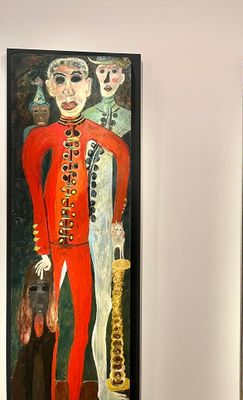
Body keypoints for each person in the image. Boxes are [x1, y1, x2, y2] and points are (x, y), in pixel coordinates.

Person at [22, 57, 130, 400]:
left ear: (88, 87)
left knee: (81, 325)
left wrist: (116, 217)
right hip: (53, 250)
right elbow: (36, 197)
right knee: (51, 328)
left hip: (82, 247)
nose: (68, 90)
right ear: (50, 88)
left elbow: (123, 155)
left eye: (76, 80)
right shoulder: (40, 138)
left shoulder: (97, 133)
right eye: (60, 80)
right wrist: (42, 248)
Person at [83, 55, 131, 400]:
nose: (108, 77)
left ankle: (105, 386)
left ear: (123, 76)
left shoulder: (129, 120)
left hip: (110, 224)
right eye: (102, 71)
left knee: (107, 304)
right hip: (82, 222)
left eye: (114, 71)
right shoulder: (83, 117)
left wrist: (117, 220)